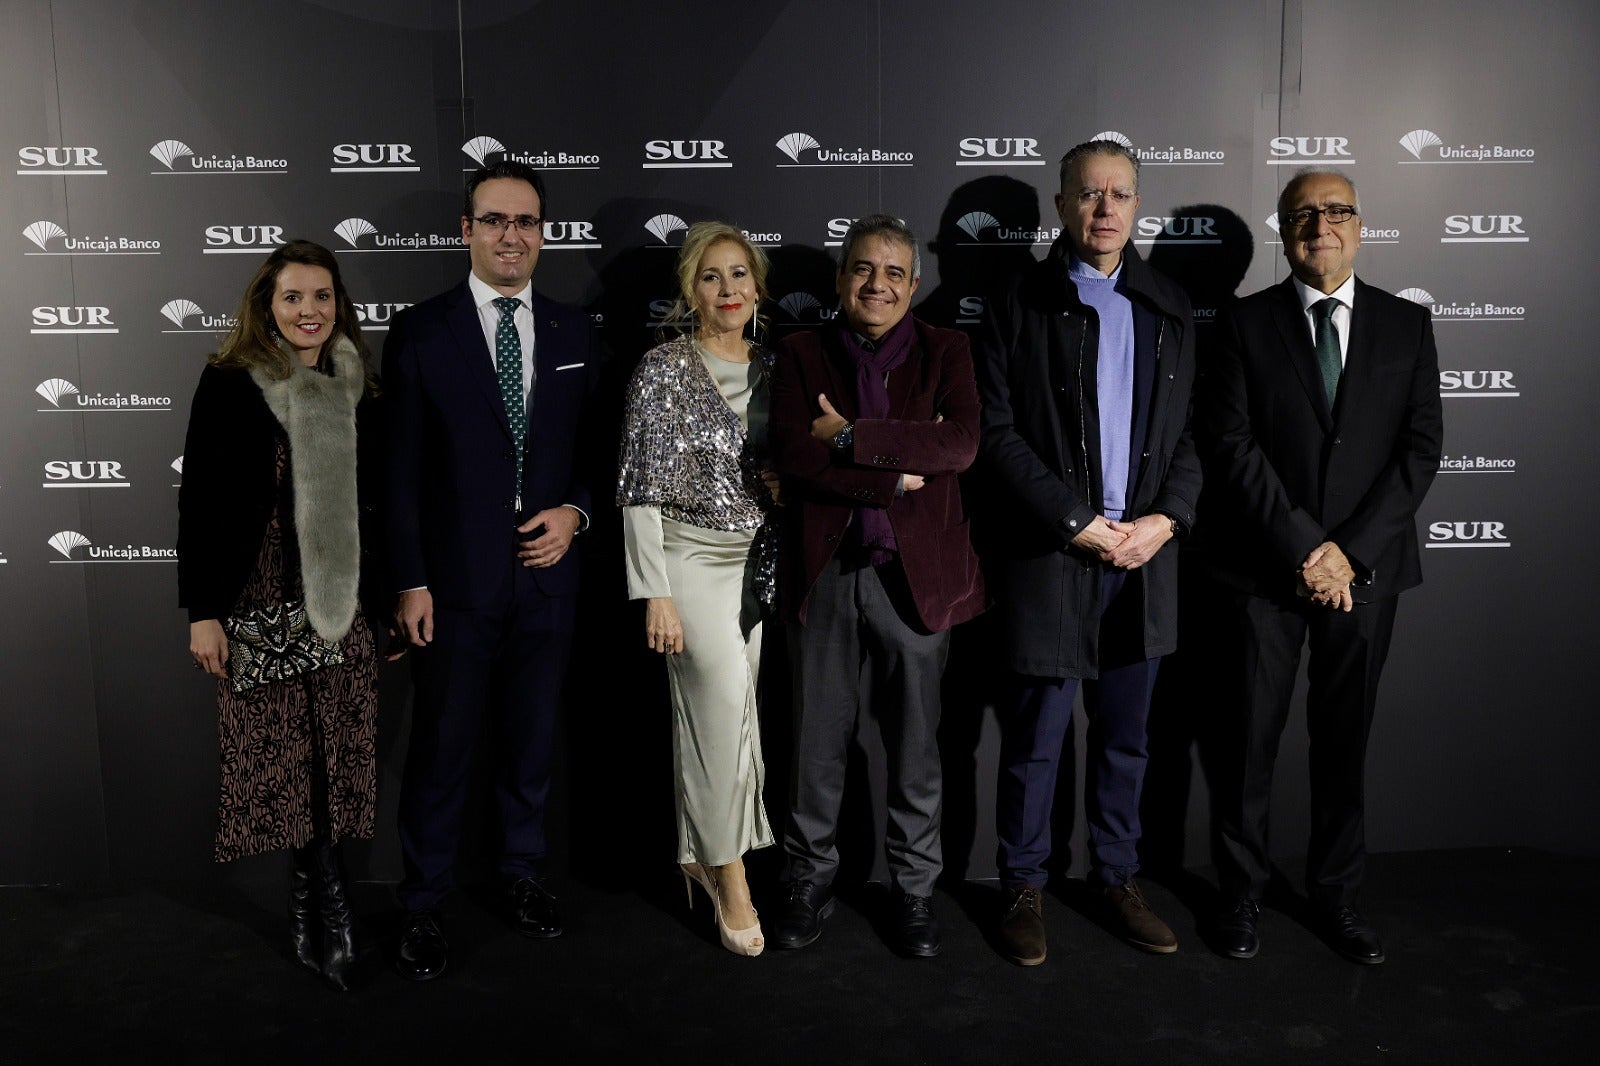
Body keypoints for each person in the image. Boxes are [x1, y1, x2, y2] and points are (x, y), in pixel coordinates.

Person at [1197, 170, 1443, 965]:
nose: (1320, 226)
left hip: (1365, 576)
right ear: (1284, 230)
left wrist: (1349, 552)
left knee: (1344, 743)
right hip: (1264, 572)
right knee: (1247, 745)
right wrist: (1306, 547)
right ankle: (1240, 895)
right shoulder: (1241, 324)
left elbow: (1419, 449)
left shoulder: (1408, 325)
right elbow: (1230, 446)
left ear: (1359, 226)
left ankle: (1337, 899)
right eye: (1303, 215)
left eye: (1335, 212)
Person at [975, 139, 1202, 966]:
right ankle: (1023, 885)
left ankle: (1116, 877)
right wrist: (1074, 518)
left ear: (1137, 206)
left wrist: (1163, 522)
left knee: (1126, 737)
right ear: (1061, 204)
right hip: (1051, 553)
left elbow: (1190, 440)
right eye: (1089, 193)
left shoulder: (1169, 306)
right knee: (1036, 737)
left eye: (1121, 194)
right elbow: (994, 433)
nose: (1106, 208)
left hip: (1142, 560)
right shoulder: (1017, 303)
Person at [385, 160, 601, 981]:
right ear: (466, 231)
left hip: (548, 581)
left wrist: (575, 514)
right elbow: (399, 471)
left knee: (531, 745)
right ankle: (423, 906)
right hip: (454, 587)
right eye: (496, 220)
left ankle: (519, 878)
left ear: (543, 232)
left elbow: (595, 455)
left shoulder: (578, 331)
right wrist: (409, 579)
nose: (513, 235)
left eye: (527, 221)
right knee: (442, 751)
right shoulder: (420, 331)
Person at [767, 214, 984, 958]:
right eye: (863, 269)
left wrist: (853, 437)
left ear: (913, 286)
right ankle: (808, 878)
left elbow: (958, 444)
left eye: (893, 273)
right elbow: (796, 452)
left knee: (916, 750)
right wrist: (892, 475)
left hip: (917, 582)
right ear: (839, 279)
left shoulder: (947, 349)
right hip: (827, 575)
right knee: (814, 744)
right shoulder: (799, 352)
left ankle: (915, 891)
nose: (877, 284)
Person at [178, 240, 385, 992]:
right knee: (284, 758)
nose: (309, 312)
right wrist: (204, 613)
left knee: (338, 753)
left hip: (341, 596)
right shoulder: (231, 381)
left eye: (322, 297)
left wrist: (391, 602)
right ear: (268, 306)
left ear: (339, 305)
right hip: (259, 592)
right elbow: (198, 501)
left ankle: (333, 902)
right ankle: (310, 906)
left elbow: (381, 504)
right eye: (294, 298)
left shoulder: (359, 383)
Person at [616, 222, 780, 957]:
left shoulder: (779, 367)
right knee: (717, 711)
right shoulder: (662, 370)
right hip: (688, 562)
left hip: (760, 565)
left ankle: (698, 852)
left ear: (758, 286)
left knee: (738, 720)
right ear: (691, 290)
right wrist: (654, 591)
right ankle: (731, 874)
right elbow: (637, 489)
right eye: (712, 277)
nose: (728, 291)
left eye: (740, 275)